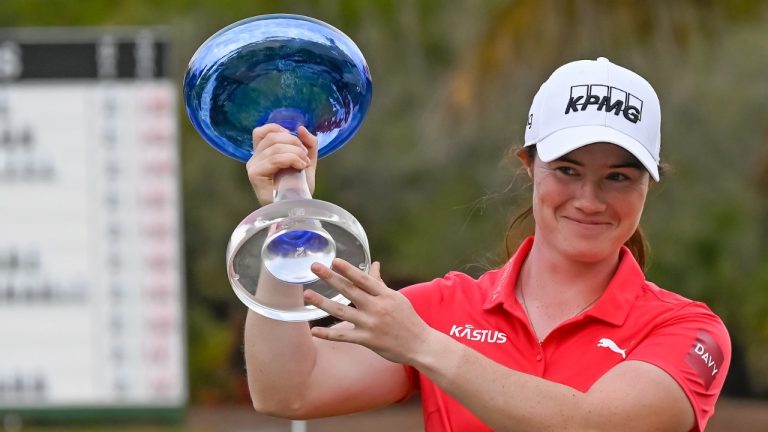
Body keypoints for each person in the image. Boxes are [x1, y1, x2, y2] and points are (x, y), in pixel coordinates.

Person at [243, 57, 731, 431]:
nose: (589, 199)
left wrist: (421, 345)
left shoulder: (688, 330)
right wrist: (288, 216)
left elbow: (592, 423)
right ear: (528, 166)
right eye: (567, 170)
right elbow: (287, 390)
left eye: (619, 177)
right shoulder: (442, 309)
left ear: (650, 184)